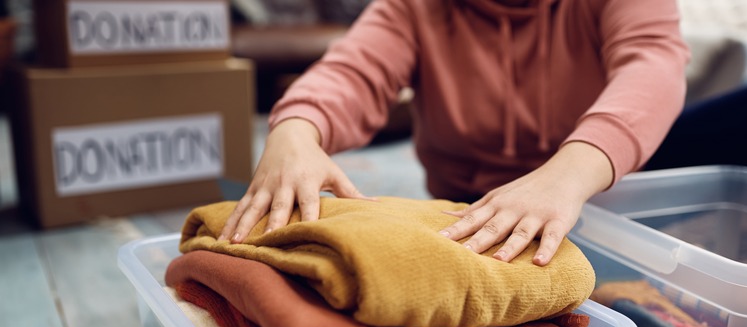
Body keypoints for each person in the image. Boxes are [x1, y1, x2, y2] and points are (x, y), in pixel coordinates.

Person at [219, 0, 690, 265]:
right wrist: (296, 130)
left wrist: (569, 172)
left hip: (601, 193)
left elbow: (654, 63)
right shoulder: (413, 8)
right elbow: (352, 71)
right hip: (470, 202)